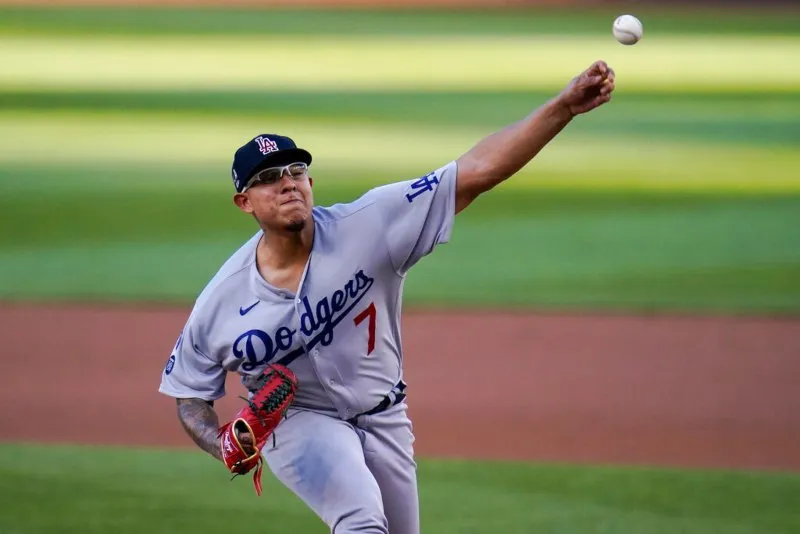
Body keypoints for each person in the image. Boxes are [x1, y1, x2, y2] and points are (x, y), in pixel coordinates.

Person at [159, 60, 615, 533]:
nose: (288, 181)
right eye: (269, 176)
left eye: (296, 169)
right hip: (298, 421)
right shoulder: (222, 299)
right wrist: (220, 442)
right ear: (244, 202)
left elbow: (476, 171)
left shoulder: (370, 223)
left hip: (386, 415)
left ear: (311, 183)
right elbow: (189, 392)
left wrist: (563, 108)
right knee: (361, 521)